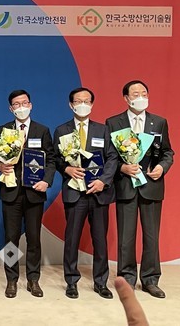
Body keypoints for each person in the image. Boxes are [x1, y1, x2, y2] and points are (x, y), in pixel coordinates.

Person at [106, 80, 174, 298]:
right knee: (126, 237)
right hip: (126, 185)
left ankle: (150, 279)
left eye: (144, 93)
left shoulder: (159, 122)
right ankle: (127, 278)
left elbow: (167, 152)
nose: (141, 97)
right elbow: (109, 156)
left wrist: (162, 168)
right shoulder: (113, 122)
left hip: (151, 186)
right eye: (135, 94)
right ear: (126, 98)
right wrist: (122, 167)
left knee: (151, 236)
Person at [53, 87, 117, 299]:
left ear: (92, 104)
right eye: (78, 101)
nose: (82, 104)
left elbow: (112, 158)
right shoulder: (61, 130)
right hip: (74, 192)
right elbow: (55, 158)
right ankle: (71, 281)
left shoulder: (103, 130)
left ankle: (101, 282)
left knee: (100, 239)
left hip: (98, 192)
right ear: (71, 105)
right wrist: (67, 169)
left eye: (86, 101)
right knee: (72, 239)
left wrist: (103, 181)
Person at [0, 89, 55, 298]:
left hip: (34, 193)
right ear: (11, 108)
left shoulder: (42, 130)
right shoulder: (3, 130)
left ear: (31, 105)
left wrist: (46, 181)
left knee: (34, 238)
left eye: (24, 103)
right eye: (17, 104)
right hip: (11, 192)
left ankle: (33, 279)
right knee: (10, 239)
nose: (21, 107)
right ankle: (11, 280)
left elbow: (51, 160)